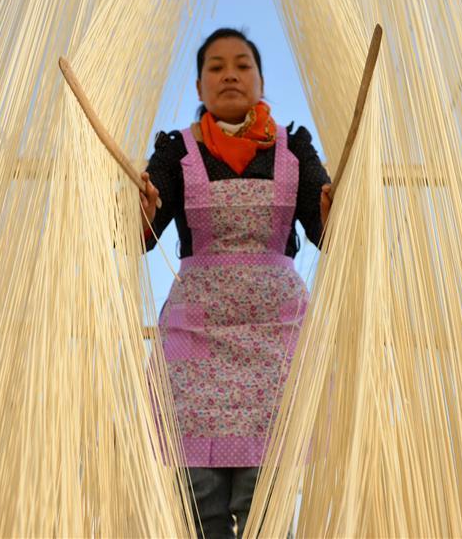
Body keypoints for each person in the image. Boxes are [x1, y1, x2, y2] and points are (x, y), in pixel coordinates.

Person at [139, 28, 331, 539]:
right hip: (194, 345)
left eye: (242, 65)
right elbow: (144, 230)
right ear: (200, 87)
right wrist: (139, 207)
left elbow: (324, 227)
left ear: (261, 81)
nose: (230, 74)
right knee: (195, 497)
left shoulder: (296, 149)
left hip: (276, 342)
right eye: (216, 66)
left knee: (262, 501)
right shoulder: (175, 150)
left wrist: (337, 211)